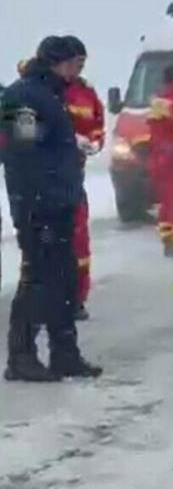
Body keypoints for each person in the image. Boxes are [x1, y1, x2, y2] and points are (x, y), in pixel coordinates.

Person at [1, 36, 102, 382]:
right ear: (57, 62)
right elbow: (22, 146)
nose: (78, 72)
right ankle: (21, 356)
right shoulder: (25, 96)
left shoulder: (51, 93)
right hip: (37, 205)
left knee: (64, 280)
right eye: (76, 64)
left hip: (58, 201)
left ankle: (65, 354)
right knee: (39, 280)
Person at [60, 36, 104, 321]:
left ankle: (76, 298)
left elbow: (98, 126)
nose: (80, 68)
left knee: (78, 241)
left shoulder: (86, 93)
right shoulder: (44, 91)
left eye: (83, 64)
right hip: (47, 179)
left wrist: (93, 143)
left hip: (74, 177)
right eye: (76, 63)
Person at [146, 65, 173, 259]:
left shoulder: (157, 101)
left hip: (158, 157)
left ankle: (168, 239)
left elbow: (154, 129)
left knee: (165, 200)